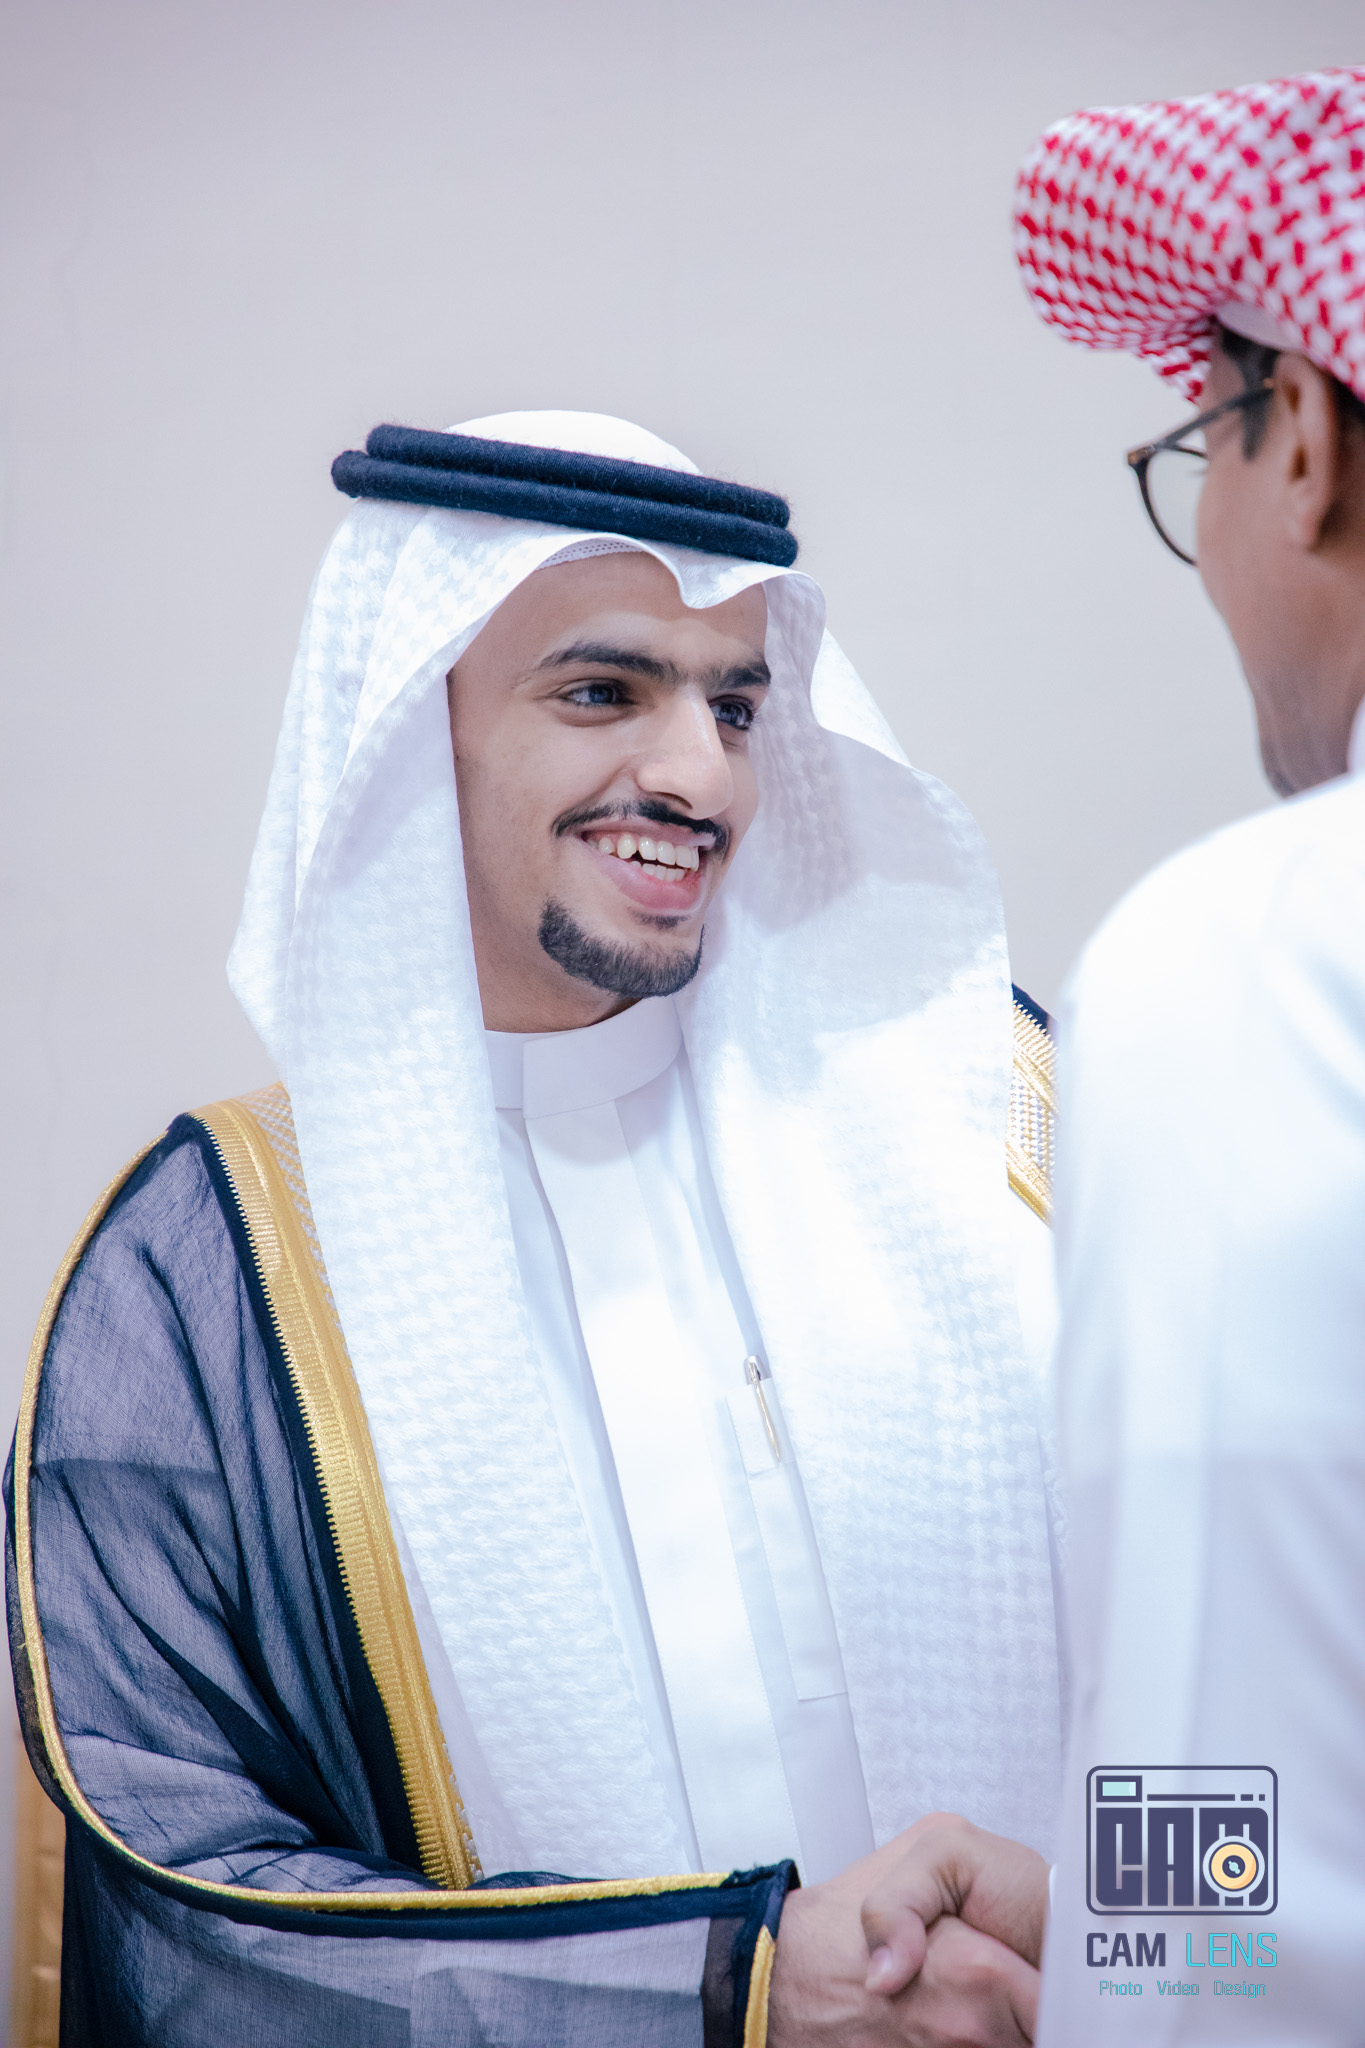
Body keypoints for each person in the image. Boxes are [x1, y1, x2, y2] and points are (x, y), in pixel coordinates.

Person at [8, 410, 1066, 2045]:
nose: (697, 775)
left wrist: (1145, 1945)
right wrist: (735, 2000)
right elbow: (182, 1897)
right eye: (600, 693)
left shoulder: (989, 1134)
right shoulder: (207, 1276)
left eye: (732, 706)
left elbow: (1255, 1647)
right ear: (406, 731)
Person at [856, 62, 1365, 2044]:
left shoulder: (1252, 956)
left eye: (1198, 453)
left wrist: (1118, 1947)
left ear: (1298, 439)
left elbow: (1217, 1742)